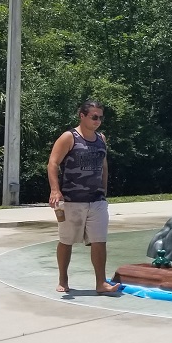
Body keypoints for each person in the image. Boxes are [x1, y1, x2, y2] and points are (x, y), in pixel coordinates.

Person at [47, 100, 118, 295]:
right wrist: (55, 190)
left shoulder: (101, 138)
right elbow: (53, 163)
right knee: (66, 240)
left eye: (100, 117)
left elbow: (104, 166)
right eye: (94, 117)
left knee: (99, 240)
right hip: (71, 199)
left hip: (96, 200)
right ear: (82, 116)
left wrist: (103, 191)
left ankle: (101, 283)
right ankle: (63, 278)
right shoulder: (69, 137)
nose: (98, 121)